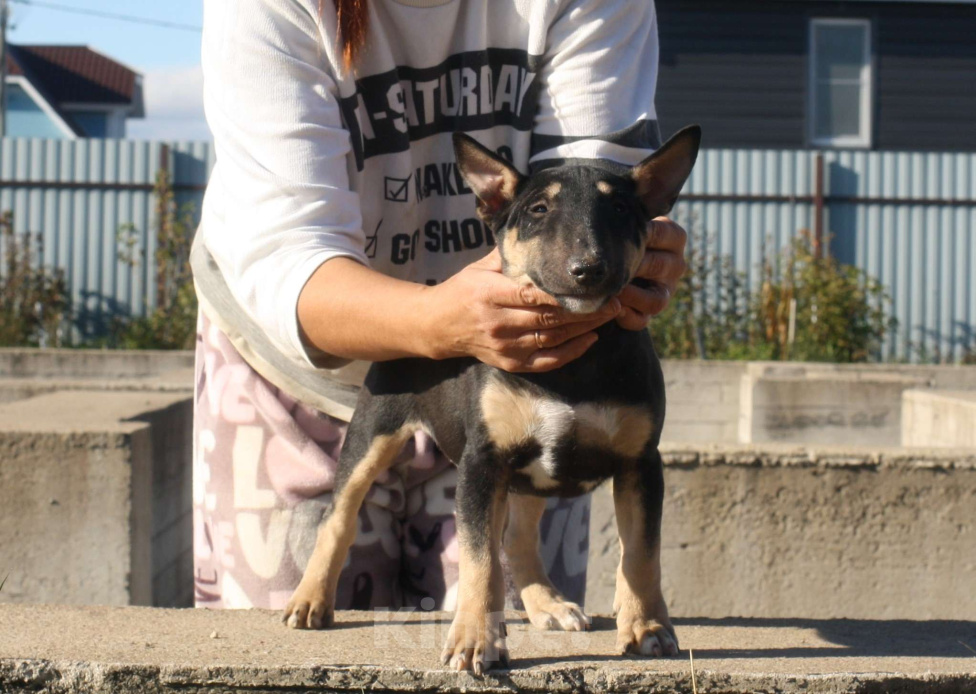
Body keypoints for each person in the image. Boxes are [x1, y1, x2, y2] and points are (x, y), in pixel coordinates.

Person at [191, 0, 688, 613]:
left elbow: (594, 194)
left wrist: (631, 260)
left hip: (537, 373)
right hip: (296, 380)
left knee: (505, 645)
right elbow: (289, 255)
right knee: (286, 648)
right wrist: (441, 324)